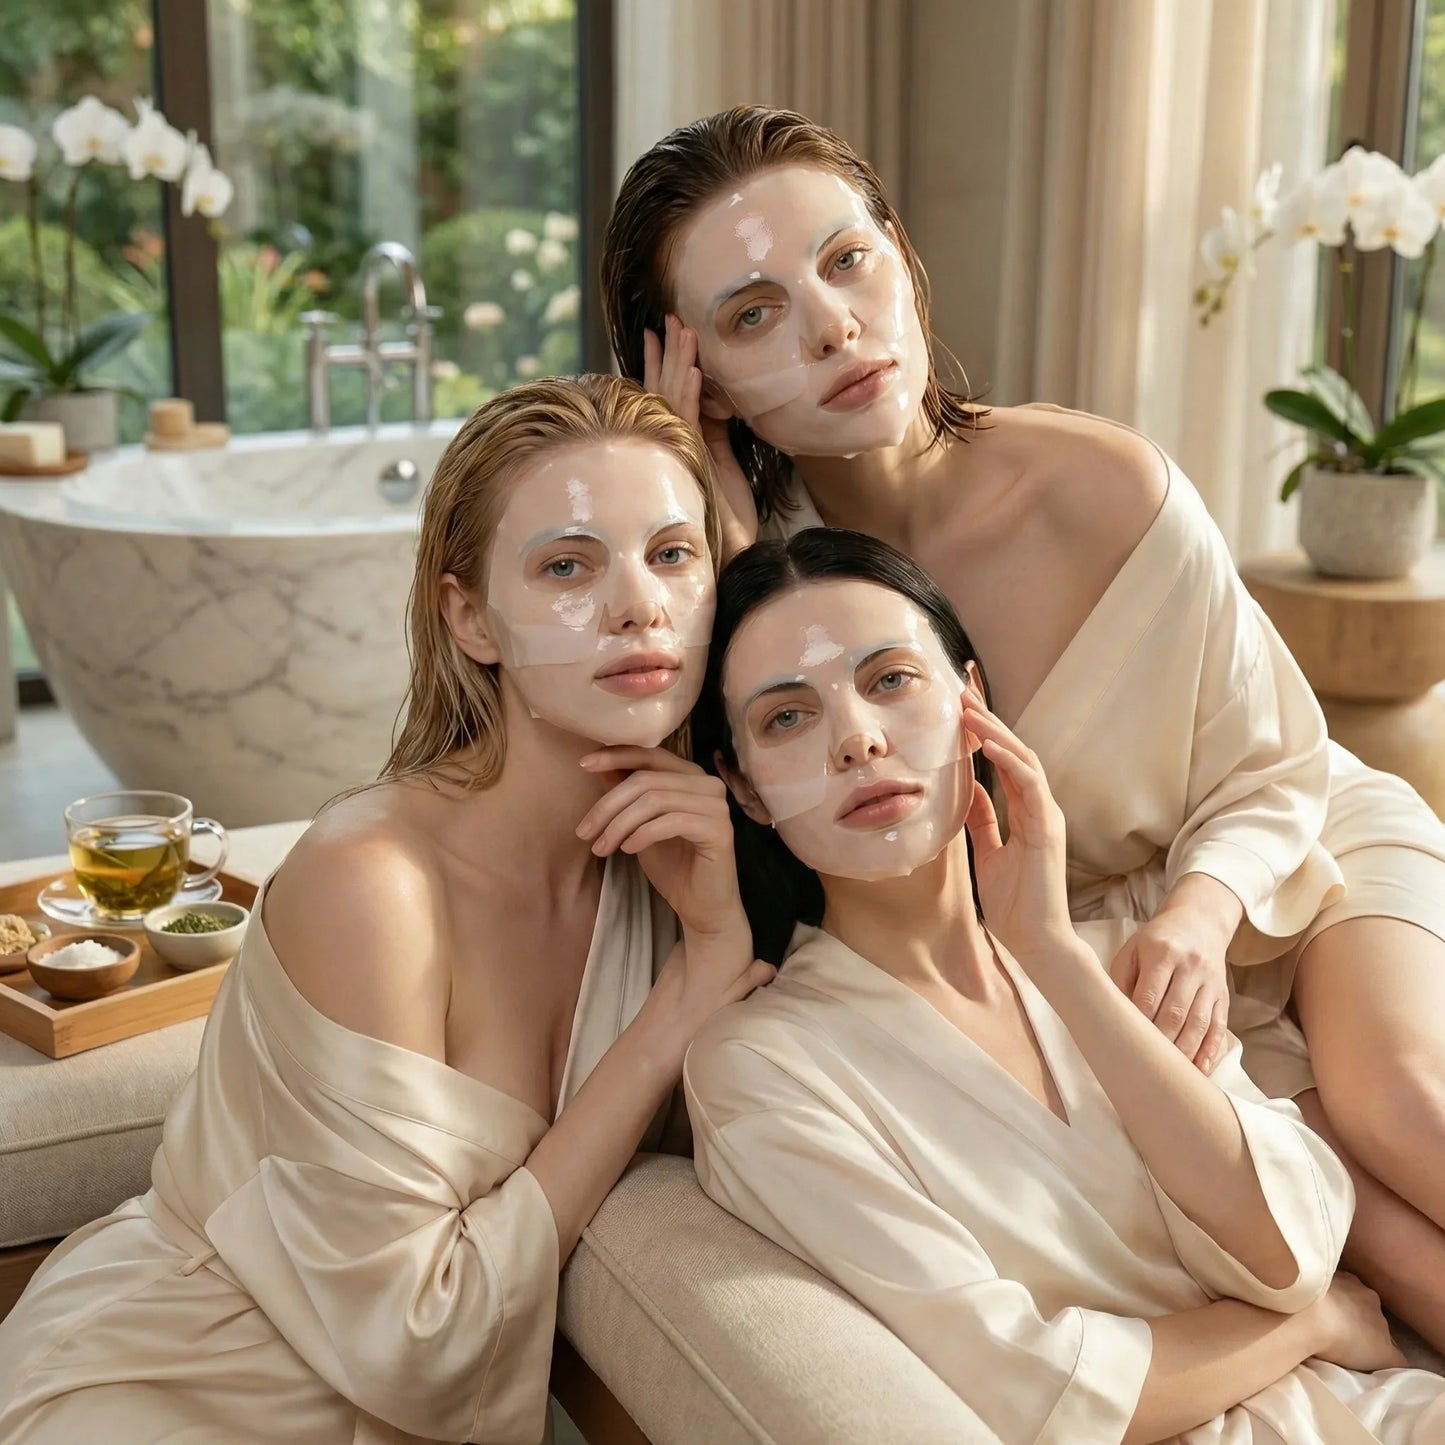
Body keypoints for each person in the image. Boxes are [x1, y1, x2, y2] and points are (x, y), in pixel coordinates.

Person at [601, 105, 1445, 1350]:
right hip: (1078, 957)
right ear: (705, 383)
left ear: (898, 256)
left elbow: (1275, 761)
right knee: (1342, 1196)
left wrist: (1198, 918)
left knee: (1391, 1108)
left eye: (846, 261)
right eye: (751, 312)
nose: (831, 323)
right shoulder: (776, 609)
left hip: (1281, 854)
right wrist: (715, 519)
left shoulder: (1101, 486)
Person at [0, 374, 772, 1445]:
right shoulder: (377, 884)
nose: (638, 603)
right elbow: (412, 1338)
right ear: (471, 617)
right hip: (187, 1375)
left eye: (672, 553)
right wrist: (691, 985)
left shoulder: (677, 859)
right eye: (565, 564)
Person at [684, 527, 1445, 1443]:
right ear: (746, 787)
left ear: (971, 701)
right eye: (786, 718)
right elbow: (1030, 1393)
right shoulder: (761, 1069)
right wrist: (1307, 1327)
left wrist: (1052, 954)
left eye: (889, 679)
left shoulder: (1111, 956)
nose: (857, 737)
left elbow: (1293, 1245)